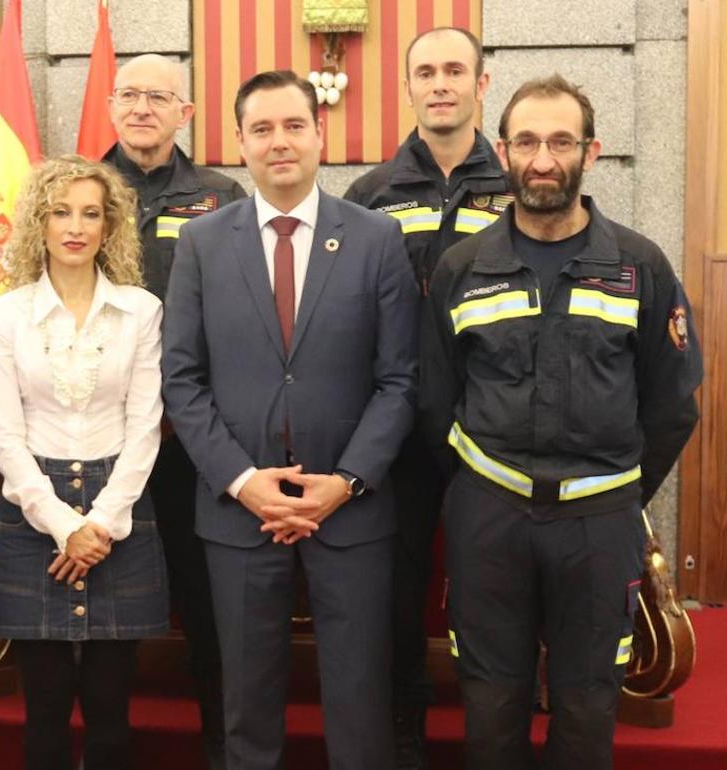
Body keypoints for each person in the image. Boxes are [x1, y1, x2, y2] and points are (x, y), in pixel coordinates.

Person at [420, 74, 702, 770]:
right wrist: (475, 497)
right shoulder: (461, 268)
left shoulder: (640, 267)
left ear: (591, 151)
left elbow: (671, 406)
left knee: (587, 703)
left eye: (559, 141)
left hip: (598, 525)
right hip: (490, 523)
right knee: (490, 701)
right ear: (503, 150)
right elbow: (434, 404)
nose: (542, 159)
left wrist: (612, 494)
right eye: (526, 141)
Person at [162, 69, 419, 770]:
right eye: (262, 129)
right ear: (239, 142)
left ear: (320, 134)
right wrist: (243, 481)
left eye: (293, 126)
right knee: (245, 704)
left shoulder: (375, 237)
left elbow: (400, 380)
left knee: (361, 704)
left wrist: (348, 481)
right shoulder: (202, 244)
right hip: (238, 512)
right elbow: (181, 379)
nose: (280, 142)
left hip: (353, 513)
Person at [342, 26, 509, 768]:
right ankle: (404, 723)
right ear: (407, 87)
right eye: (425, 72)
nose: (439, 83)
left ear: (481, 83)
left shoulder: (518, 188)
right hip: (396, 431)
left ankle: (501, 717)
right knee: (396, 586)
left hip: (493, 428)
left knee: (497, 583)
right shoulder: (368, 195)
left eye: (454, 70)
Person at [0, 155, 169, 770]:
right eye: (61, 212)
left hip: (121, 507)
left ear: (110, 226)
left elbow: (146, 427)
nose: (75, 227)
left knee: (112, 710)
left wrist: (104, 522)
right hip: (36, 512)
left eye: (91, 213)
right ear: (39, 222)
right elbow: (5, 436)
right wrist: (65, 525)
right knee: (44, 710)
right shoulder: (6, 315)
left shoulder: (141, 310)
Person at [100, 52, 247, 770]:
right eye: (129, 94)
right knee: (106, 604)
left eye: (159, 96)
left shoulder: (223, 197)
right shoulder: (81, 190)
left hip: (195, 439)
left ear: (186, 114)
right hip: (99, 434)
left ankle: (224, 748)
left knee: (209, 604)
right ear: (109, 105)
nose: (141, 108)